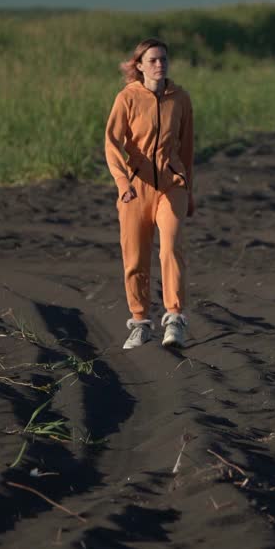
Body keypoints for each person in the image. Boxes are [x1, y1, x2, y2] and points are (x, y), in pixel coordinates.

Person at [104, 37, 195, 349]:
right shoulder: (127, 98)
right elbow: (112, 143)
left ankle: (174, 320)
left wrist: (189, 190)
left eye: (164, 59)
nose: (160, 65)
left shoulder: (180, 99)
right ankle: (141, 322)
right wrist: (122, 183)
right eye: (153, 60)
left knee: (170, 247)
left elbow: (187, 148)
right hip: (135, 187)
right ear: (139, 65)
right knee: (135, 257)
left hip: (173, 185)